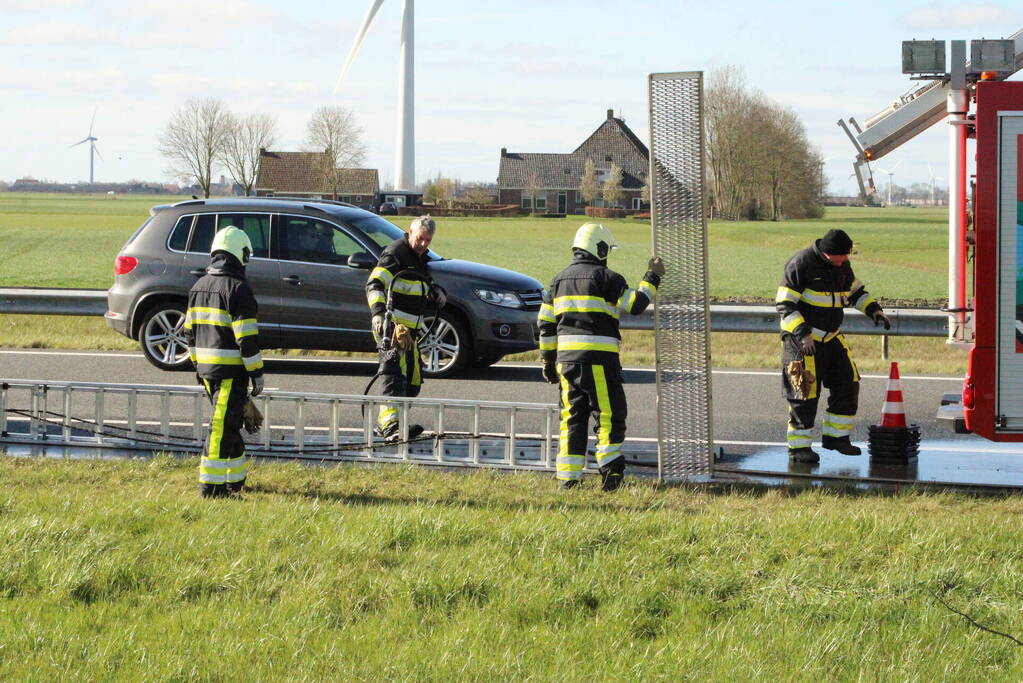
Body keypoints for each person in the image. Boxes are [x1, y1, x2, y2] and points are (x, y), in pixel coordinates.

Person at [538, 222, 664, 491]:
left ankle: (568, 480)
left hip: (566, 363)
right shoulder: (608, 278)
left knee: (572, 418)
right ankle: (611, 476)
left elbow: (545, 325)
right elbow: (635, 304)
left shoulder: (557, 281)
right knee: (608, 415)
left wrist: (548, 362)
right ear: (600, 248)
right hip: (599, 361)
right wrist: (652, 277)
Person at [775, 228, 891, 463]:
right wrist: (803, 334)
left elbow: (855, 292)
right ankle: (799, 449)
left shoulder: (842, 265)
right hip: (802, 341)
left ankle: (836, 438)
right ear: (829, 254)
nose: (846, 260)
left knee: (848, 382)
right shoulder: (801, 263)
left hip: (832, 338)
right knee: (804, 393)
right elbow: (785, 304)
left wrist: (874, 310)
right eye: (843, 256)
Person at [183, 226, 265, 498]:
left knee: (229, 424)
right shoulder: (239, 289)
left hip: (206, 372)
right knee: (220, 428)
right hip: (231, 373)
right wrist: (257, 373)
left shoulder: (198, 287)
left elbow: (189, 333)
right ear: (241, 255)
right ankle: (212, 488)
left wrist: (198, 367)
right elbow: (247, 340)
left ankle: (236, 481)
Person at [365, 215, 445, 441]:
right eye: (420, 239)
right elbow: (375, 283)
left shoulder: (420, 258)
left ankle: (393, 423)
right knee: (394, 375)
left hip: (412, 333)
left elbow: (420, 285)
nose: (423, 244)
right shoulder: (396, 253)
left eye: (428, 240)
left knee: (413, 379)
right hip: (393, 327)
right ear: (410, 232)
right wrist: (379, 314)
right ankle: (390, 426)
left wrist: (436, 293)